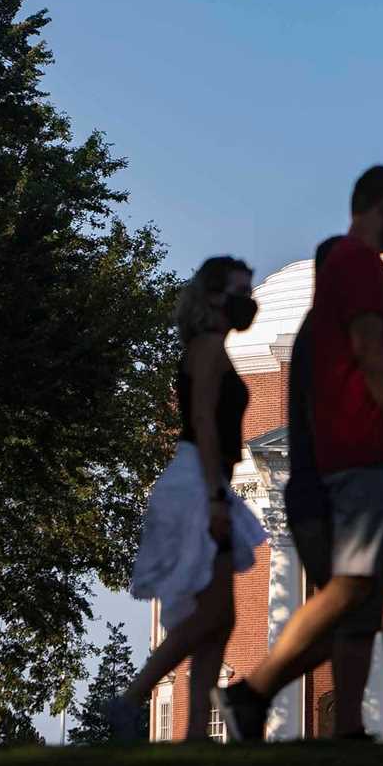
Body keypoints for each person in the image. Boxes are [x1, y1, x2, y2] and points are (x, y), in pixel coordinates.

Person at [218, 165, 383, 741]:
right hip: (369, 455)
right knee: (355, 586)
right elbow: (371, 354)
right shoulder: (354, 263)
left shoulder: (362, 271)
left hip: (382, 460)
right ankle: (255, 690)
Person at [108, 257, 267, 741]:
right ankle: (133, 696)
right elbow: (201, 422)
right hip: (199, 482)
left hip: (206, 480)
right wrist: (217, 497)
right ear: (215, 297)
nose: (248, 300)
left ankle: (195, 735)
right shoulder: (205, 350)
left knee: (221, 617)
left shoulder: (214, 348)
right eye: (240, 291)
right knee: (210, 614)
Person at [282, 234, 383, 738]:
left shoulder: (318, 330)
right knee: (349, 602)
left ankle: (347, 724)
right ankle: (259, 689)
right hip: (328, 490)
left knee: (352, 607)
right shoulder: (332, 334)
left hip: (320, 487)